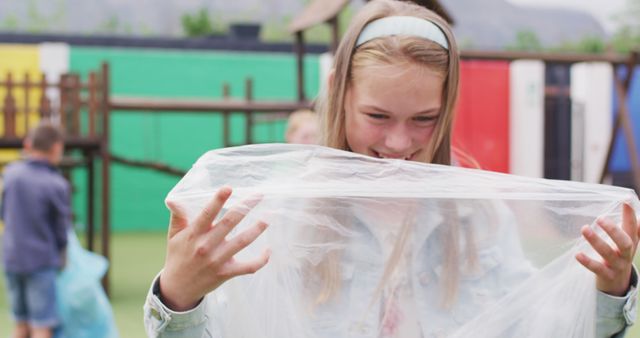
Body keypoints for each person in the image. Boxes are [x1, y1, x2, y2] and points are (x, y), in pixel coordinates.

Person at [144, 1, 640, 337]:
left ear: (447, 106)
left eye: (424, 119)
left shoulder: (479, 217)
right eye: (377, 116)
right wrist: (180, 295)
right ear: (340, 91)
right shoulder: (278, 216)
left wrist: (606, 291)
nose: (399, 143)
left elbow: (538, 326)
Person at [2, 121, 70, 338]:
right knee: (42, 325)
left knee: (21, 324)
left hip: (11, 258)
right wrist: (63, 256)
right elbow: (61, 230)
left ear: (28, 144)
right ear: (57, 148)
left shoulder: (10, 173)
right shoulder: (56, 183)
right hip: (41, 261)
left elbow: (3, 212)